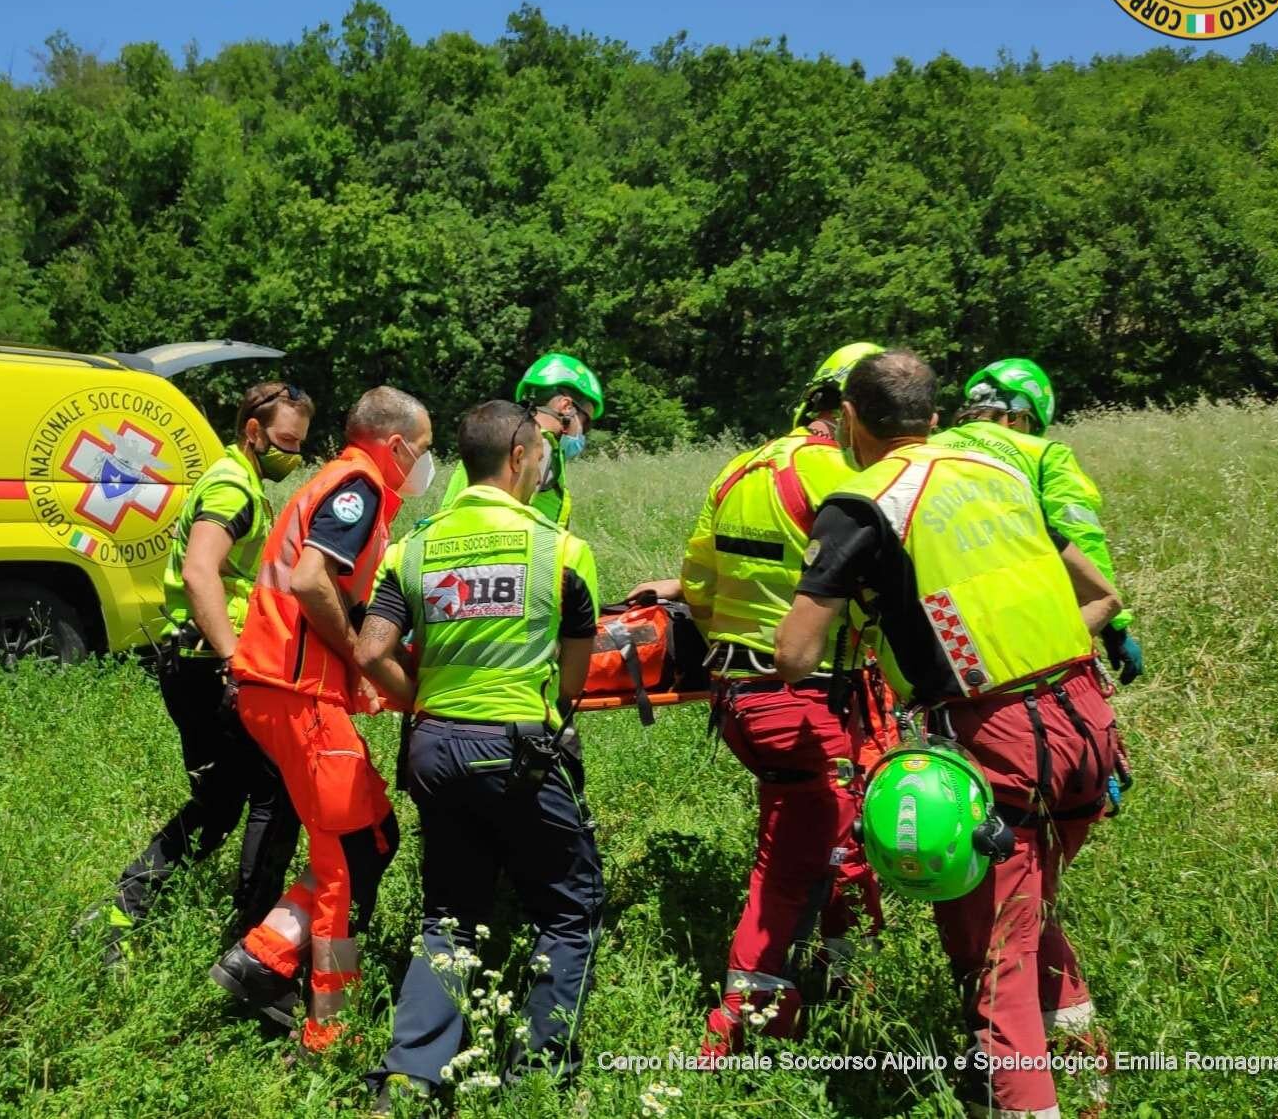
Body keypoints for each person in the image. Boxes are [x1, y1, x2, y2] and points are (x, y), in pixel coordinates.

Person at [775, 351, 1126, 1119]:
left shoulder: (862, 503)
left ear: (852, 422)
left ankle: (1023, 1105)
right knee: (1030, 910)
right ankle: (1089, 1077)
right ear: (933, 417)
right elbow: (1101, 593)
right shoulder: (1000, 473)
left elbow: (794, 652)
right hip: (1086, 721)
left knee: (993, 949)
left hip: (997, 739)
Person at [633, 342, 887, 1054]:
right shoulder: (842, 476)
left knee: (832, 834)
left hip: (740, 697)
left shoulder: (738, 467)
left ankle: (841, 979)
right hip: (810, 694)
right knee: (803, 855)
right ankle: (745, 1021)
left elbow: (700, 578)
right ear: (848, 410)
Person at [356, 400, 605, 1107]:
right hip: (520, 749)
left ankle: (408, 1076)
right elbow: (574, 679)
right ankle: (535, 1076)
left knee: (448, 912)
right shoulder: (559, 549)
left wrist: (424, 699)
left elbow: (371, 649)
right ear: (523, 453)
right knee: (567, 904)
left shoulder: (416, 545)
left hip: (432, 747)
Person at [209, 387, 435, 1051]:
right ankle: (328, 1029)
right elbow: (311, 581)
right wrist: (361, 658)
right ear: (394, 445)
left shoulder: (345, 484)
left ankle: (260, 956)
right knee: (345, 858)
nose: (423, 465)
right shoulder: (357, 485)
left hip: (292, 690)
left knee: (374, 836)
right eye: (421, 450)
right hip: (296, 691)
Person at [90, 382, 313, 964]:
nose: (292, 455)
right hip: (206, 667)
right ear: (253, 432)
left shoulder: (239, 480)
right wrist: (234, 657)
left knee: (218, 805)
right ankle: (253, 939)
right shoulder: (233, 485)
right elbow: (199, 571)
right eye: (285, 442)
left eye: (301, 446)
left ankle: (120, 913)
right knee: (274, 789)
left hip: (194, 663)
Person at [933, 358, 1144, 684]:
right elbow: (1083, 537)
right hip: (1026, 627)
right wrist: (1115, 627)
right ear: (1019, 417)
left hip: (942, 632)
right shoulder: (1044, 455)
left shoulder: (923, 449)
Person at [438, 352, 602, 527]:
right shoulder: (539, 447)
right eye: (586, 422)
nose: (582, 433)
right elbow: (507, 525)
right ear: (566, 407)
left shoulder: (491, 437)